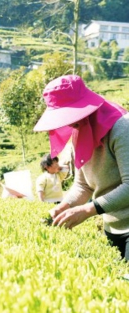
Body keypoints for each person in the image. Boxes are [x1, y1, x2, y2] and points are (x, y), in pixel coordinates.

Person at [34, 74, 129, 261]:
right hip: (112, 226)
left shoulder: (122, 128)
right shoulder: (80, 131)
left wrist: (87, 210)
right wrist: (64, 207)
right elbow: (82, 185)